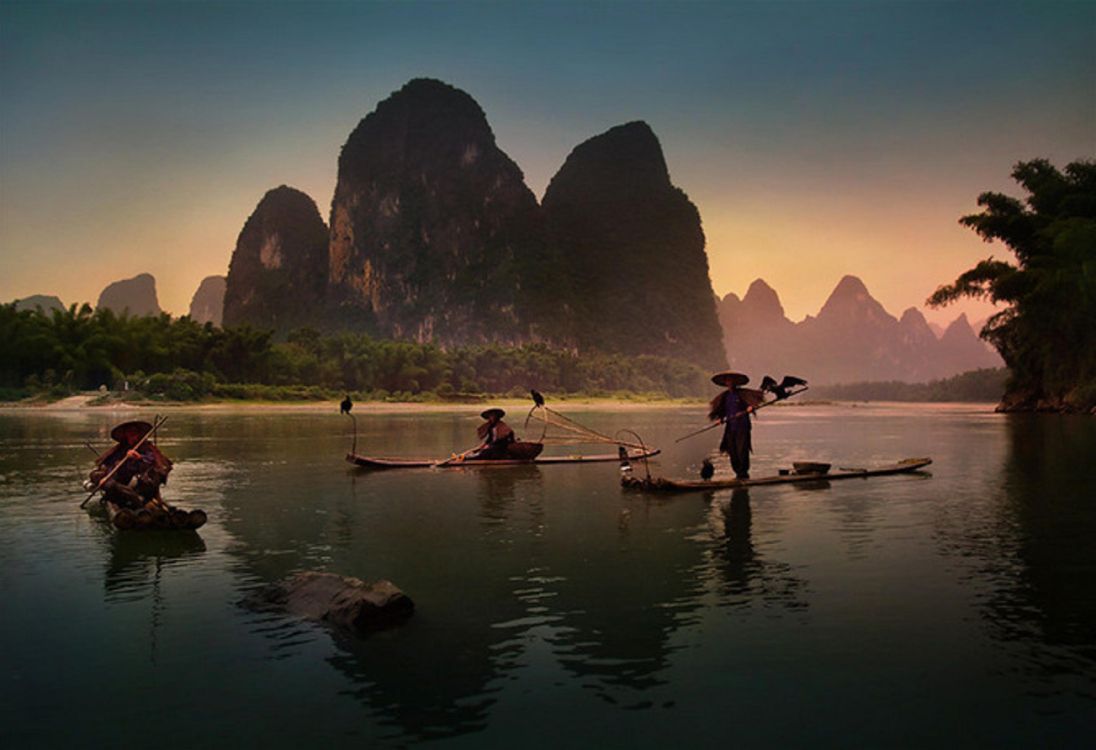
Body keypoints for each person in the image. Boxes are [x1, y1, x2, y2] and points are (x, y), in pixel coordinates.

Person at [88, 421, 173, 509]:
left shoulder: (146, 447)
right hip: (122, 483)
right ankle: (132, 497)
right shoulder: (120, 449)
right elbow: (111, 465)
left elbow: (152, 460)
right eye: (129, 432)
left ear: (139, 434)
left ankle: (139, 499)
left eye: (135, 432)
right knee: (102, 479)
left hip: (142, 484)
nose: (132, 435)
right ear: (125, 435)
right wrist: (106, 478)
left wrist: (139, 457)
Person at [708, 371, 759, 479]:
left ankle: (743, 474)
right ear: (725, 382)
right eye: (728, 380)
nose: (730, 382)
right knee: (732, 451)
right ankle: (737, 473)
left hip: (742, 426)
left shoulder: (743, 394)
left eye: (731, 380)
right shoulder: (725, 397)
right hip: (731, 427)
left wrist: (749, 408)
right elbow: (722, 411)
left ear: (736, 382)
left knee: (742, 450)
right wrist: (721, 419)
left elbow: (751, 404)